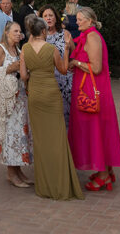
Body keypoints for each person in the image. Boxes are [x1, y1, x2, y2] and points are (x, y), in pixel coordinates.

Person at [20, 17, 84, 201]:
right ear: (43, 32)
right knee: (57, 137)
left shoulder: (24, 49)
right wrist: (65, 51)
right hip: (50, 94)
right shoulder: (51, 49)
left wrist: (33, 76)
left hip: (35, 95)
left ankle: (45, 185)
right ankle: (61, 182)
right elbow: (64, 70)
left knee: (40, 140)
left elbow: (24, 75)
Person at [67, 7, 120, 192]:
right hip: (90, 89)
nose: (77, 22)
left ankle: (103, 176)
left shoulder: (92, 37)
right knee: (98, 130)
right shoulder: (87, 36)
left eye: (80, 19)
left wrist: (75, 63)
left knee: (95, 130)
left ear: (90, 21)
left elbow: (96, 67)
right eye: (77, 19)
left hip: (93, 91)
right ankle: (106, 170)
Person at [0, 20, 32, 188]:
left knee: (19, 134)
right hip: (8, 100)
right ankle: (11, 172)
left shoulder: (18, 49)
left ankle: (18, 169)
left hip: (19, 98)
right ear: (7, 33)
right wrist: (10, 68)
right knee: (10, 135)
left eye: (19, 31)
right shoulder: (1, 49)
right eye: (15, 31)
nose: (18, 34)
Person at [39, 5, 73, 126]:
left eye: (51, 15)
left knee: (67, 121)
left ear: (56, 18)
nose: (48, 18)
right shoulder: (39, 38)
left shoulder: (65, 34)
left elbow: (74, 55)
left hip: (66, 83)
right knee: (51, 122)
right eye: (45, 16)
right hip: (49, 84)